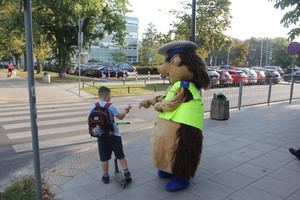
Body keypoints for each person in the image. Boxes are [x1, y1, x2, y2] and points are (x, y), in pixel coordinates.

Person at [87, 86, 132, 184]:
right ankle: (127, 173)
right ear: (106, 95)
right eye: (110, 95)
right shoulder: (110, 106)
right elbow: (121, 117)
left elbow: (88, 120)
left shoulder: (93, 106)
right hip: (114, 135)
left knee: (104, 158)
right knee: (120, 155)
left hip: (101, 136)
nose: (110, 97)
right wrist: (127, 109)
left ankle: (105, 176)